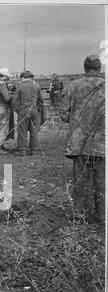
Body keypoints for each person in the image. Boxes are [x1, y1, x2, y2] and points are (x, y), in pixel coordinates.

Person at [59, 55, 105, 224]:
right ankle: (103, 217)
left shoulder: (73, 86)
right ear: (99, 68)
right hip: (103, 143)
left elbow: (64, 114)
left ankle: (79, 216)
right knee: (103, 182)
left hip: (79, 143)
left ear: (85, 68)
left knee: (80, 181)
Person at [13, 70, 44, 156]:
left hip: (23, 110)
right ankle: (34, 150)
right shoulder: (36, 86)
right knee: (34, 131)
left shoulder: (20, 86)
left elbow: (14, 101)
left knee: (22, 131)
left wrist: (18, 110)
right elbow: (41, 100)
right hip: (34, 110)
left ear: (23, 78)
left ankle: (22, 150)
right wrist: (38, 109)